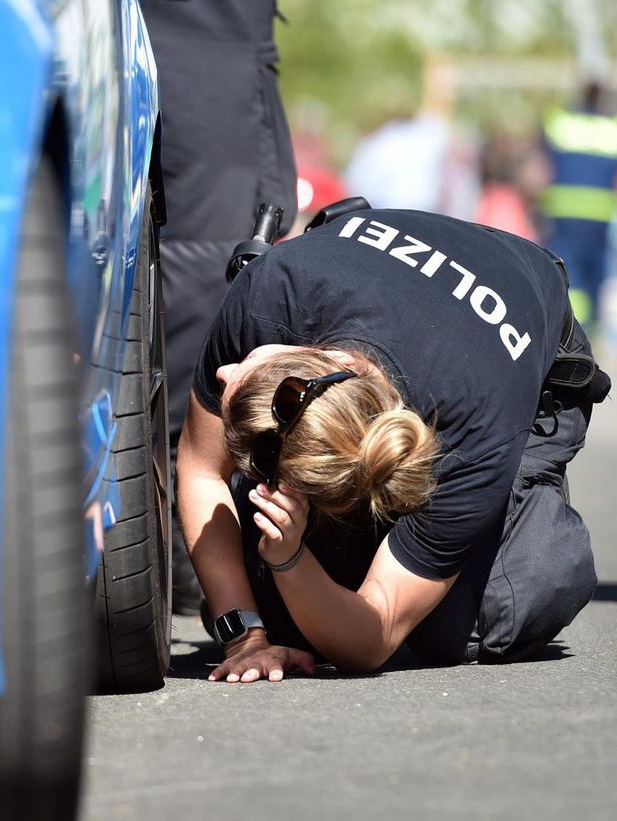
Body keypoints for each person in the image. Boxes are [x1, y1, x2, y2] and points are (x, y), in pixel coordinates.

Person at [178, 202, 609, 682]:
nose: (224, 371)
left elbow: (373, 638)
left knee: (464, 622)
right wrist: (246, 632)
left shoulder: (475, 423)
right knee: (285, 614)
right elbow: (200, 468)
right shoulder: (268, 295)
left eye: (241, 370)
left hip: (518, 348)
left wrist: (290, 557)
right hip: (389, 283)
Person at [140, 0, 297, 614]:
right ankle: (192, 559)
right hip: (199, 81)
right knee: (205, 299)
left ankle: (186, 556)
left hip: (209, 73)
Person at [540, 80, 617, 330]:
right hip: (599, 212)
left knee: (566, 269)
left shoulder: (560, 121)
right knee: (595, 271)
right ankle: (590, 327)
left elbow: (541, 156)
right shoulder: (611, 126)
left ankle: (569, 326)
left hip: (563, 209)